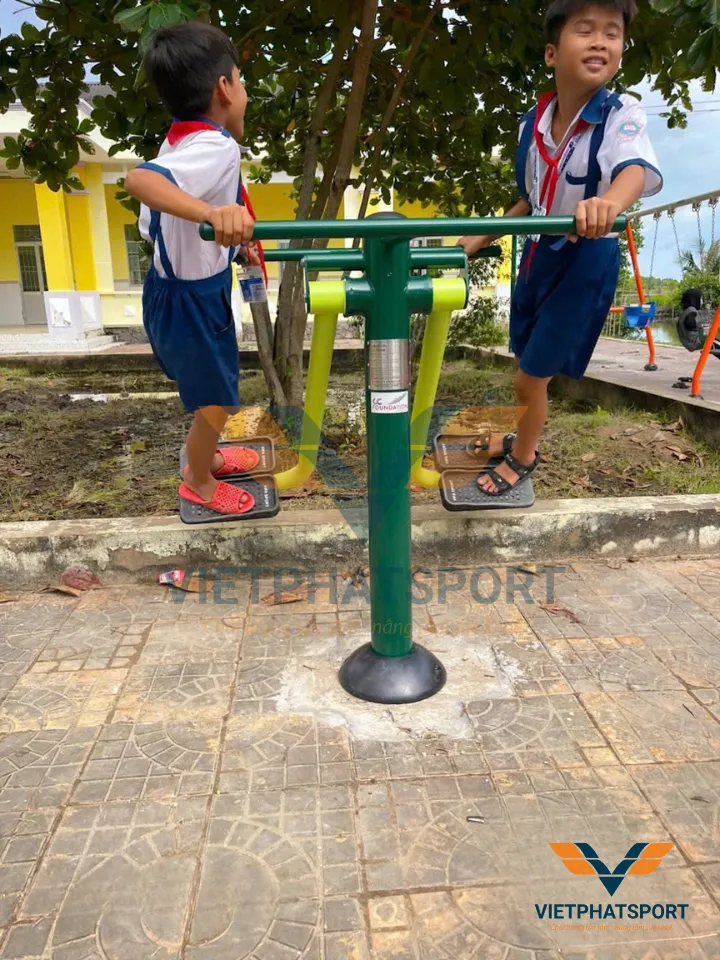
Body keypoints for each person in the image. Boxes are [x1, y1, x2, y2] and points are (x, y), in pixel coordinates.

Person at [458, 0, 662, 496]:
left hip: (584, 260)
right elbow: (531, 200)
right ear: (552, 53)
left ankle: (523, 457)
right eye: (585, 30)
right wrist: (475, 239)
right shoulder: (532, 123)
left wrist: (609, 202)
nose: (600, 42)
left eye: (612, 34)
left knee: (532, 377)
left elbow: (634, 170)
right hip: (538, 255)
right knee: (523, 361)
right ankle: (517, 435)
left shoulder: (620, 113)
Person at [125, 21, 261, 517]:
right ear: (224, 87)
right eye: (241, 81)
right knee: (217, 400)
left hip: (175, 289)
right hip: (193, 301)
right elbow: (139, 181)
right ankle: (198, 479)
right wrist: (211, 215)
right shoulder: (215, 147)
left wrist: (232, 244)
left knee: (212, 392)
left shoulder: (182, 139)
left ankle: (207, 457)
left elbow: (163, 220)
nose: (244, 93)